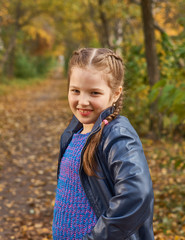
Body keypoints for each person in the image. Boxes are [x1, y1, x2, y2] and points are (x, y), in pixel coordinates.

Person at [52, 48, 154, 240]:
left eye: (94, 93)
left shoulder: (117, 134)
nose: (83, 101)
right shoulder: (75, 132)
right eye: (75, 90)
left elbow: (137, 195)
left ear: (115, 94)